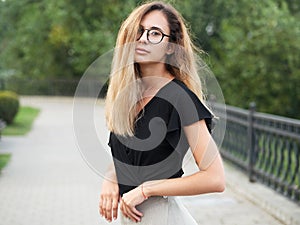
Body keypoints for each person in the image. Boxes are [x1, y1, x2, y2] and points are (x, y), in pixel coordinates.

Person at [99, 1, 225, 224]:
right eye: (139, 31)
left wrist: (146, 189)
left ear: (170, 46)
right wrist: (111, 179)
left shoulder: (180, 98)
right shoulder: (128, 96)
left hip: (162, 216)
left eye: (155, 33)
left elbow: (215, 178)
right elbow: (130, 156)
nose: (144, 38)